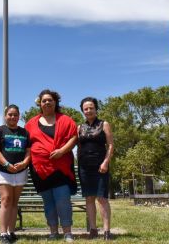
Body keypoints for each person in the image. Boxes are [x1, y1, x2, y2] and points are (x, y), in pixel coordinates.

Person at [25, 89, 78, 242]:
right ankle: (53, 232)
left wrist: (62, 151)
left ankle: (67, 232)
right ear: (40, 104)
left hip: (61, 167)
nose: (47, 102)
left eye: (50, 100)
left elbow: (74, 137)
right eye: (44, 100)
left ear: (55, 102)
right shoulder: (31, 123)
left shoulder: (66, 120)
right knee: (48, 202)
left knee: (63, 200)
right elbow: (26, 143)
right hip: (40, 169)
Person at [0, 104, 31, 244]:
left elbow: (28, 151)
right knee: (6, 199)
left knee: (14, 201)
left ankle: (11, 231)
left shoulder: (24, 132)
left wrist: (25, 163)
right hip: (3, 171)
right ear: (5, 116)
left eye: (15, 115)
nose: (13, 117)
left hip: (20, 170)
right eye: (10, 114)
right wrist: (6, 164)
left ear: (19, 116)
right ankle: (3, 233)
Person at [77, 97, 114, 241]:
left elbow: (110, 145)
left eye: (91, 107)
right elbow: (78, 147)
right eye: (85, 109)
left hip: (100, 167)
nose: (88, 110)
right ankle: (93, 230)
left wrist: (105, 162)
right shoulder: (79, 127)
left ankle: (106, 231)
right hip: (84, 167)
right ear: (83, 111)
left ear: (96, 109)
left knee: (102, 198)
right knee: (89, 198)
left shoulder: (104, 124)